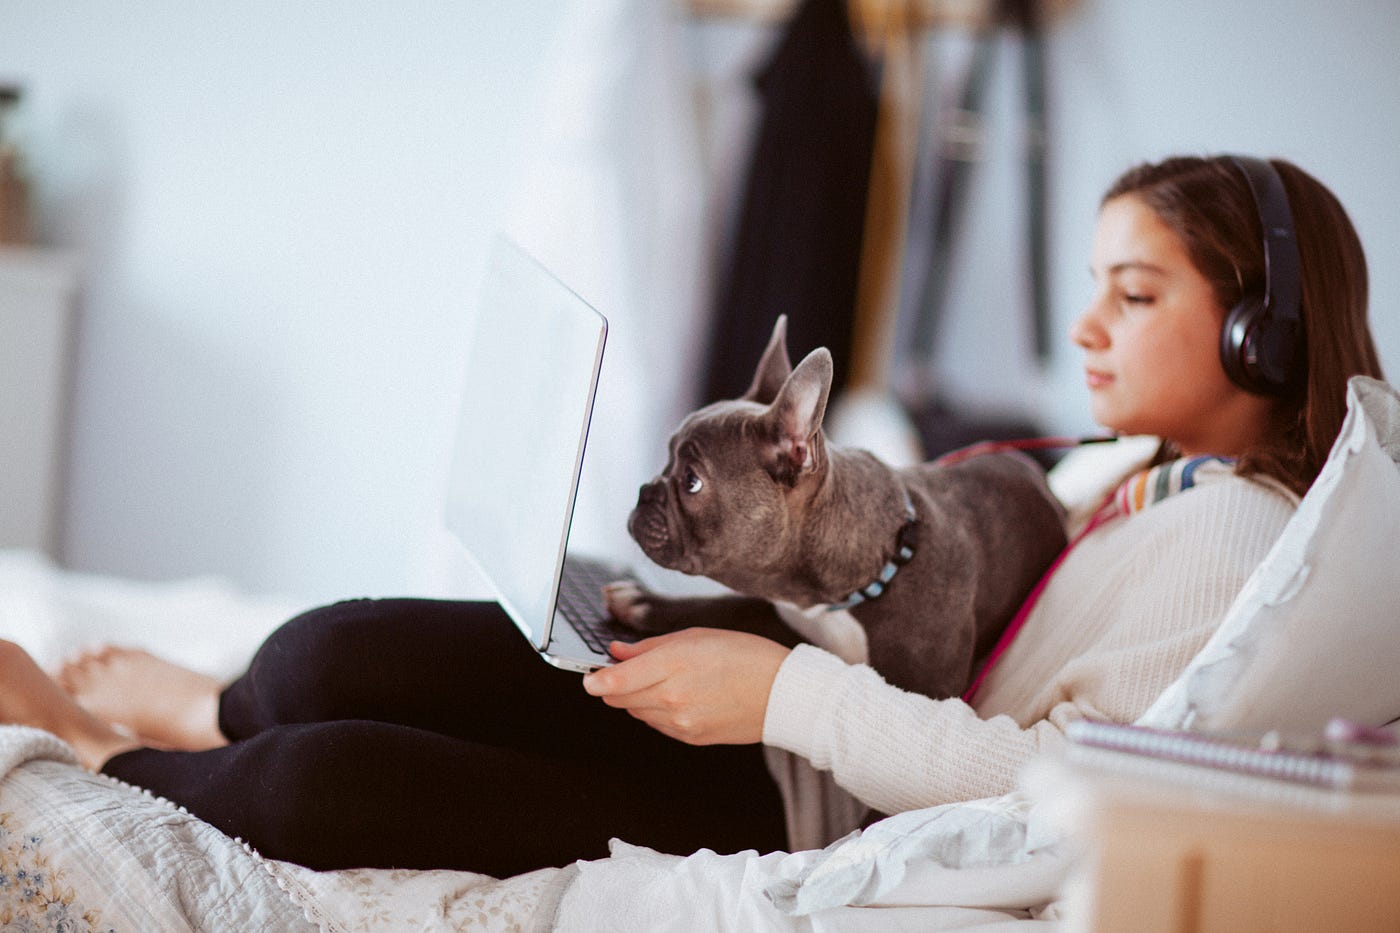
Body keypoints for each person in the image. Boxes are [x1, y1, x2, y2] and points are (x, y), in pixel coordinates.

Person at [0, 154, 1384, 879]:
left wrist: (783, 695)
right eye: (1094, 279)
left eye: (1133, 295)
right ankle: (229, 700)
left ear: (1265, 333)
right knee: (320, 652)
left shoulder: (1232, 549)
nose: (1084, 325)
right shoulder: (1127, 478)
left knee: (325, 788)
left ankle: (105, 749)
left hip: (794, 792)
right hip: (778, 701)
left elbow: (1060, 796)